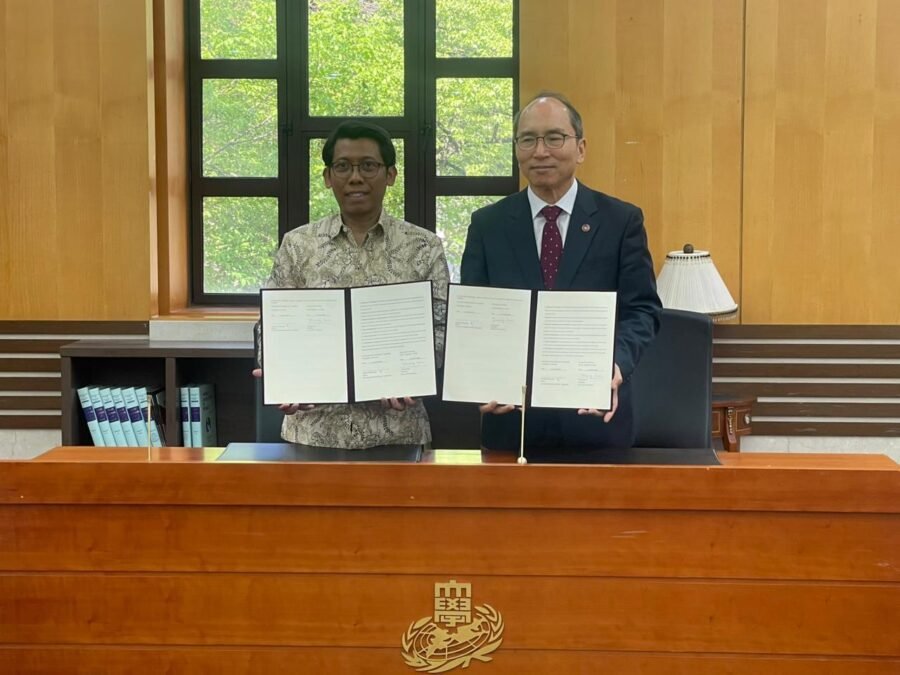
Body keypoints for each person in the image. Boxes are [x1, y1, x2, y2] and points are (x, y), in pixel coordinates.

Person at [460, 92, 661, 451]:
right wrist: (482, 376)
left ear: (580, 148)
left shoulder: (621, 221)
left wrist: (616, 363)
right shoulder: (488, 225)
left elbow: (642, 310)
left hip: (596, 419)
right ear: (517, 150)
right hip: (513, 423)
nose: (540, 151)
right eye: (528, 139)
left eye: (554, 138)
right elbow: (475, 317)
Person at [254, 120, 450, 449]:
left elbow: (441, 326)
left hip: (398, 434)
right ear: (328, 177)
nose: (355, 177)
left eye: (368, 166)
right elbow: (271, 325)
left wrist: (413, 374)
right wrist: (279, 373)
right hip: (312, 433)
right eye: (343, 166)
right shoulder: (298, 245)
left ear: (390, 175)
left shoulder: (423, 246)